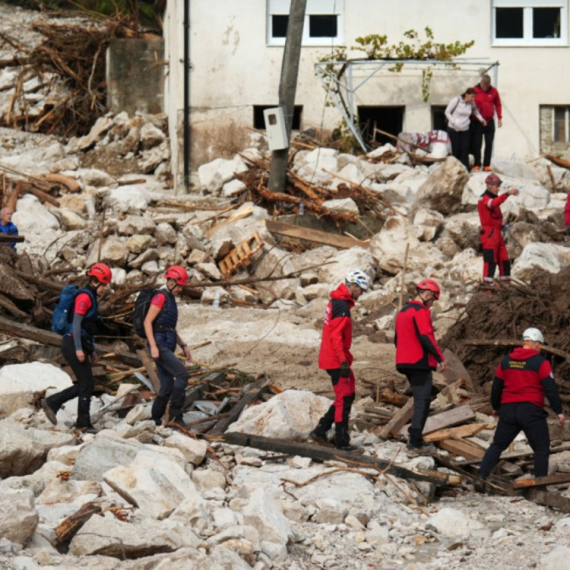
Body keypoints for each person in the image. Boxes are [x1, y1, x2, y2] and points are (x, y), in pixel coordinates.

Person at [478, 328, 565, 484]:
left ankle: (480, 477)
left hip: (508, 410)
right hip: (531, 410)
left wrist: (495, 407)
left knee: (497, 445)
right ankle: (540, 486)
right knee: (541, 449)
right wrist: (558, 411)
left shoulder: (505, 361)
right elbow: (550, 388)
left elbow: (496, 387)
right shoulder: (541, 362)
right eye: (540, 345)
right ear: (537, 344)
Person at [43, 263, 112, 432]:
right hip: (72, 343)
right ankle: (81, 423)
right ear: (95, 282)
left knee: (85, 383)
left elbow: (88, 327)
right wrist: (79, 348)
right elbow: (76, 323)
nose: (105, 289)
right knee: (86, 383)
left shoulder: (91, 298)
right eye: (104, 285)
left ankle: (55, 403)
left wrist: (92, 349)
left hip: (80, 343)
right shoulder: (85, 297)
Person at [310, 269, 370, 452]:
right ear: (353, 286)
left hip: (333, 357)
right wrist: (343, 361)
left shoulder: (336, 302)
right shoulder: (341, 306)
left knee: (348, 394)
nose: (361, 294)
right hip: (336, 359)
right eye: (361, 290)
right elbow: (336, 335)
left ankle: (321, 430)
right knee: (344, 398)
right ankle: (341, 441)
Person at [395, 279, 446, 452]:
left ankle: (414, 436)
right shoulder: (421, 311)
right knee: (422, 401)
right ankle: (415, 440)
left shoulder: (402, 311)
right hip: (419, 362)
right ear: (428, 295)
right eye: (433, 301)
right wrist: (440, 358)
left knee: (419, 399)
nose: (431, 305)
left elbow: (397, 339)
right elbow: (426, 336)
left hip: (403, 362)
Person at [144, 265, 192, 428]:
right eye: (178, 285)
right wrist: (153, 346)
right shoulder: (160, 297)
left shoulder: (171, 300)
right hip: (159, 345)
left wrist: (183, 345)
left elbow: (170, 327)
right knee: (182, 375)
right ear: (170, 282)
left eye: (181, 287)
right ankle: (175, 416)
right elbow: (147, 322)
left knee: (167, 385)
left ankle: (155, 419)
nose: (180, 289)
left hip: (166, 344)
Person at [478, 173, 519, 286]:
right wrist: (507, 194)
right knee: (490, 261)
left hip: (496, 233)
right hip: (489, 234)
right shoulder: (485, 198)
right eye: (497, 186)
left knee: (504, 260)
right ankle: (487, 289)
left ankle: (505, 286)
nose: (498, 189)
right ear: (490, 186)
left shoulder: (491, 198)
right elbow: (493, 204)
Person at [445, 88, 486, 169]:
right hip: (454, 128)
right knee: (456, 149)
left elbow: (475, 112)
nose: (473, 99)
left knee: (465, 149)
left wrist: (482, 119)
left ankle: (465, 168)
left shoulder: (471, 103)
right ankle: (455, 168)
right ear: (466, 94)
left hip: (465, 129)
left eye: (474, 97)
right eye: (472, 96)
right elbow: (447, 112)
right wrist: (454, 122)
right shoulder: (456, 100)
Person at [471, 74, 503, 172]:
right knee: (477, 143)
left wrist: (499, 118)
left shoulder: (494, 91)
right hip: (477, 121)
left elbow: (498, 104)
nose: (485, 87)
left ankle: (486, 165)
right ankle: (477, 164)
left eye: (487, 85)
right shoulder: (474, 90)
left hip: (489, 121)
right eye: (484, 85)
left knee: (489, 143)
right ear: (481, 82)